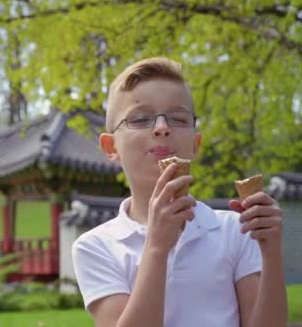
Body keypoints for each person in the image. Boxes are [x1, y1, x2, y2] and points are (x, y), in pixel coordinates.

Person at [72, 57, 287, 327]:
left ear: (195, 144)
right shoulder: (96, 246)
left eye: (178, 118)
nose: (162, 128)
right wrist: (157, 247)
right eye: (140, 119)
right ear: (110, 146)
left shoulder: (235, 230)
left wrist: (271, 253)